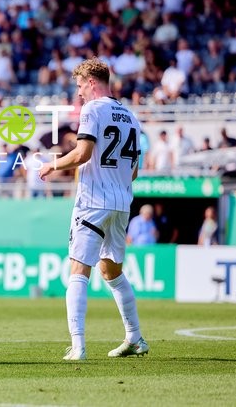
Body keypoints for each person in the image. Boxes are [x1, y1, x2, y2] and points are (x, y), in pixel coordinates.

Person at [39, 58, 148, 361]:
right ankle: (135, 337)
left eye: (79, 86)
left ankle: (78, 346)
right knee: (110, 271)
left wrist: (53, 164)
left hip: (92, 201)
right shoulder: (130, 116)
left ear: (91, 82)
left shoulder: (92, 110)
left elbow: (83, 153)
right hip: (122, 203)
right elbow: (135, 170)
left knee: (78, 269)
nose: (78, 94)